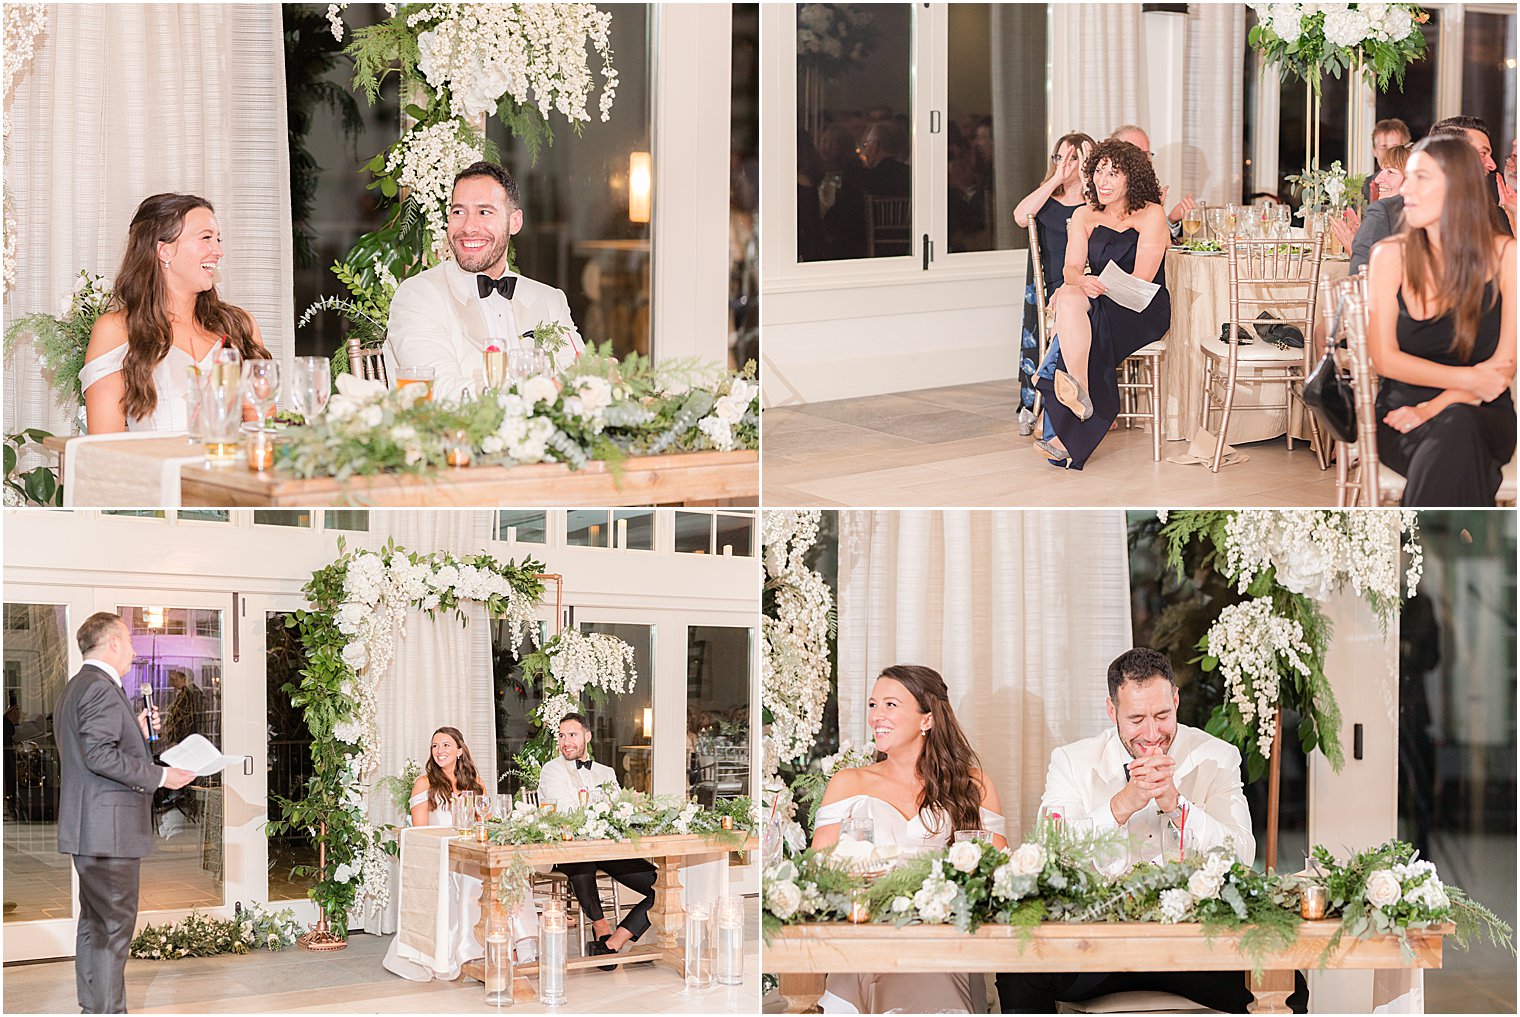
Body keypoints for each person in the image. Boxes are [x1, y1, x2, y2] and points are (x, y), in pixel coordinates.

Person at [997, 648, 1307, 1014]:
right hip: (1098, 947)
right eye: (1136, 719)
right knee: (1017, 969)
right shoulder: (1071, 761)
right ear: (1112, 711)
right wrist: (1122, 805)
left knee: (1289, 986)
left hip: (1191, 945)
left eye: (1162, 715)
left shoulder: (1218, 757)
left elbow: (1241, 854)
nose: (1152, 733)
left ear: (1176, 701)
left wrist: (1177, 805)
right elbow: (1051, 854)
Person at [813, 665, 1007, 1014]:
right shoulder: (848, 783)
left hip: (943, 940)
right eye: (873, 705)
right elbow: (819, 873)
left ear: (927, 719)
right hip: (866, 936)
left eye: (890, 705)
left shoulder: (973, 785)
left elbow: (1000, 875)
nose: (876, 716)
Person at [55, 612, 195, 1013]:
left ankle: (92, 1006)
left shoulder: (78, 686)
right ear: (112, 643)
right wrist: (161, 776)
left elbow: (90, 748)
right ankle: (108, 1011)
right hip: (109, 831)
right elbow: (99, 755)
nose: (134, 650)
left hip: (91, 829)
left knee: (94, 926)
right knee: (113, 930)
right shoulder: (100, 688)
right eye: (130, 641)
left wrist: (131, 725)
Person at [1368, 135, 1516, 506]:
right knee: (1460, 446)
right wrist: (1468, 378)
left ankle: (1415, 558)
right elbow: (1383, 358)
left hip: (1482, 411)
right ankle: (1457, 560)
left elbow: (1504, 366)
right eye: (1408, 177)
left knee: (1460, 428)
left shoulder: (1505, 255)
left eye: (1422, 178)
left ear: (1458, 186)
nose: (1407, 189)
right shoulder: (1390, 255)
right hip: (1398, 416)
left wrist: (1433, 407)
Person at [386, 161, 584, 402]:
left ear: (515, 222)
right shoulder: (419, 296)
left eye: (484, 212)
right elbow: (437, 392)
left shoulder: (550, 300)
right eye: (458, 212)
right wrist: (531, 393)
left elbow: (579, 377)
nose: (468, 227)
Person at [1033, 139, 1172, 470]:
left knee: (1076, 320)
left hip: (1142, 306)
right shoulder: (1084, 214)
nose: (1103, 181)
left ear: (1132, 178)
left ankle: (1065, 406)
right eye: (1098, 172)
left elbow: (1141, 280)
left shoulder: (1152, 213)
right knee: (1068, 295)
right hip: (1101, 298)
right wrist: (1081, 282)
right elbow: (1070, 269)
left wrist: (1094, 288)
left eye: (1114, 173)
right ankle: (1078, 388)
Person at [81, 194, 271, 433]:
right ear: (165, 251)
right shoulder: (117, 330)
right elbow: (104, 447)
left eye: (218, 239)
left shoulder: (239, 326)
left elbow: (263, 430)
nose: (219, 251)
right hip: (152, 470)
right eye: (206, 238)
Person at [384, 727, 536, 979]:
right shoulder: (424, 784)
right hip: (443, 858)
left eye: (445, 745)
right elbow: (420, 834)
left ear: (459, 750)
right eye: (435, 746)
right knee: (470, 879)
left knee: (509, 871)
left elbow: (485, 822)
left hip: (471, 852)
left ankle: (515, 946)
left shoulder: (474, 782)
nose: (439, 751)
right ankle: (470, 951)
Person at [538, 713, 657, 965]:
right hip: (567, 849)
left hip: (607, 848)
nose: (566, 741)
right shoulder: (552, 770)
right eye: (561, 736)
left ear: (587, 736)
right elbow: (567, 812)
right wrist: (602, 810)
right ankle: (601, 927)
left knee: (661, 886)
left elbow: (618, 811)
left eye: (572, 735)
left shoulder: (606, 772)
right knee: (583, 864)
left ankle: (614, 942)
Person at [1012, 132, 1096, 436]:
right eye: (1060, 157)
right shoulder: (1047, 200)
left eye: (1074, 158)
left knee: (1069, 310)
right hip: (1045, 286)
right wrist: (1055, 179)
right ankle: (1048, 402)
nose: (1066, 164)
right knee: (1055, 310)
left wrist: (1089, 179)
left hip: (1080, 285)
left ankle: (1058, 406)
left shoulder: (1094, 205)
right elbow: (1021, 216)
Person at [1109, 125, 1195, 236]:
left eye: (1146, 154)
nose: (1143, 160)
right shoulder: (1104, 192)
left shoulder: (1146, 189)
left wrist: (1171, 220)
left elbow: (1154, 241)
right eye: (1135, 153)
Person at [1362, 118, 1413, 202]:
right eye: (1384, 147)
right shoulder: (1363, 188)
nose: (1389, 152)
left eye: (1395, 148)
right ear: (1374, 151)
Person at [159, 669, 203, 748]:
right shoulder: (186, 693)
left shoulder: (190, 695)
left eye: (174, 680)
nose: (171, 683)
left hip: (186, 740)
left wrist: (178, 740)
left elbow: (188, 721)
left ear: (184, 679)